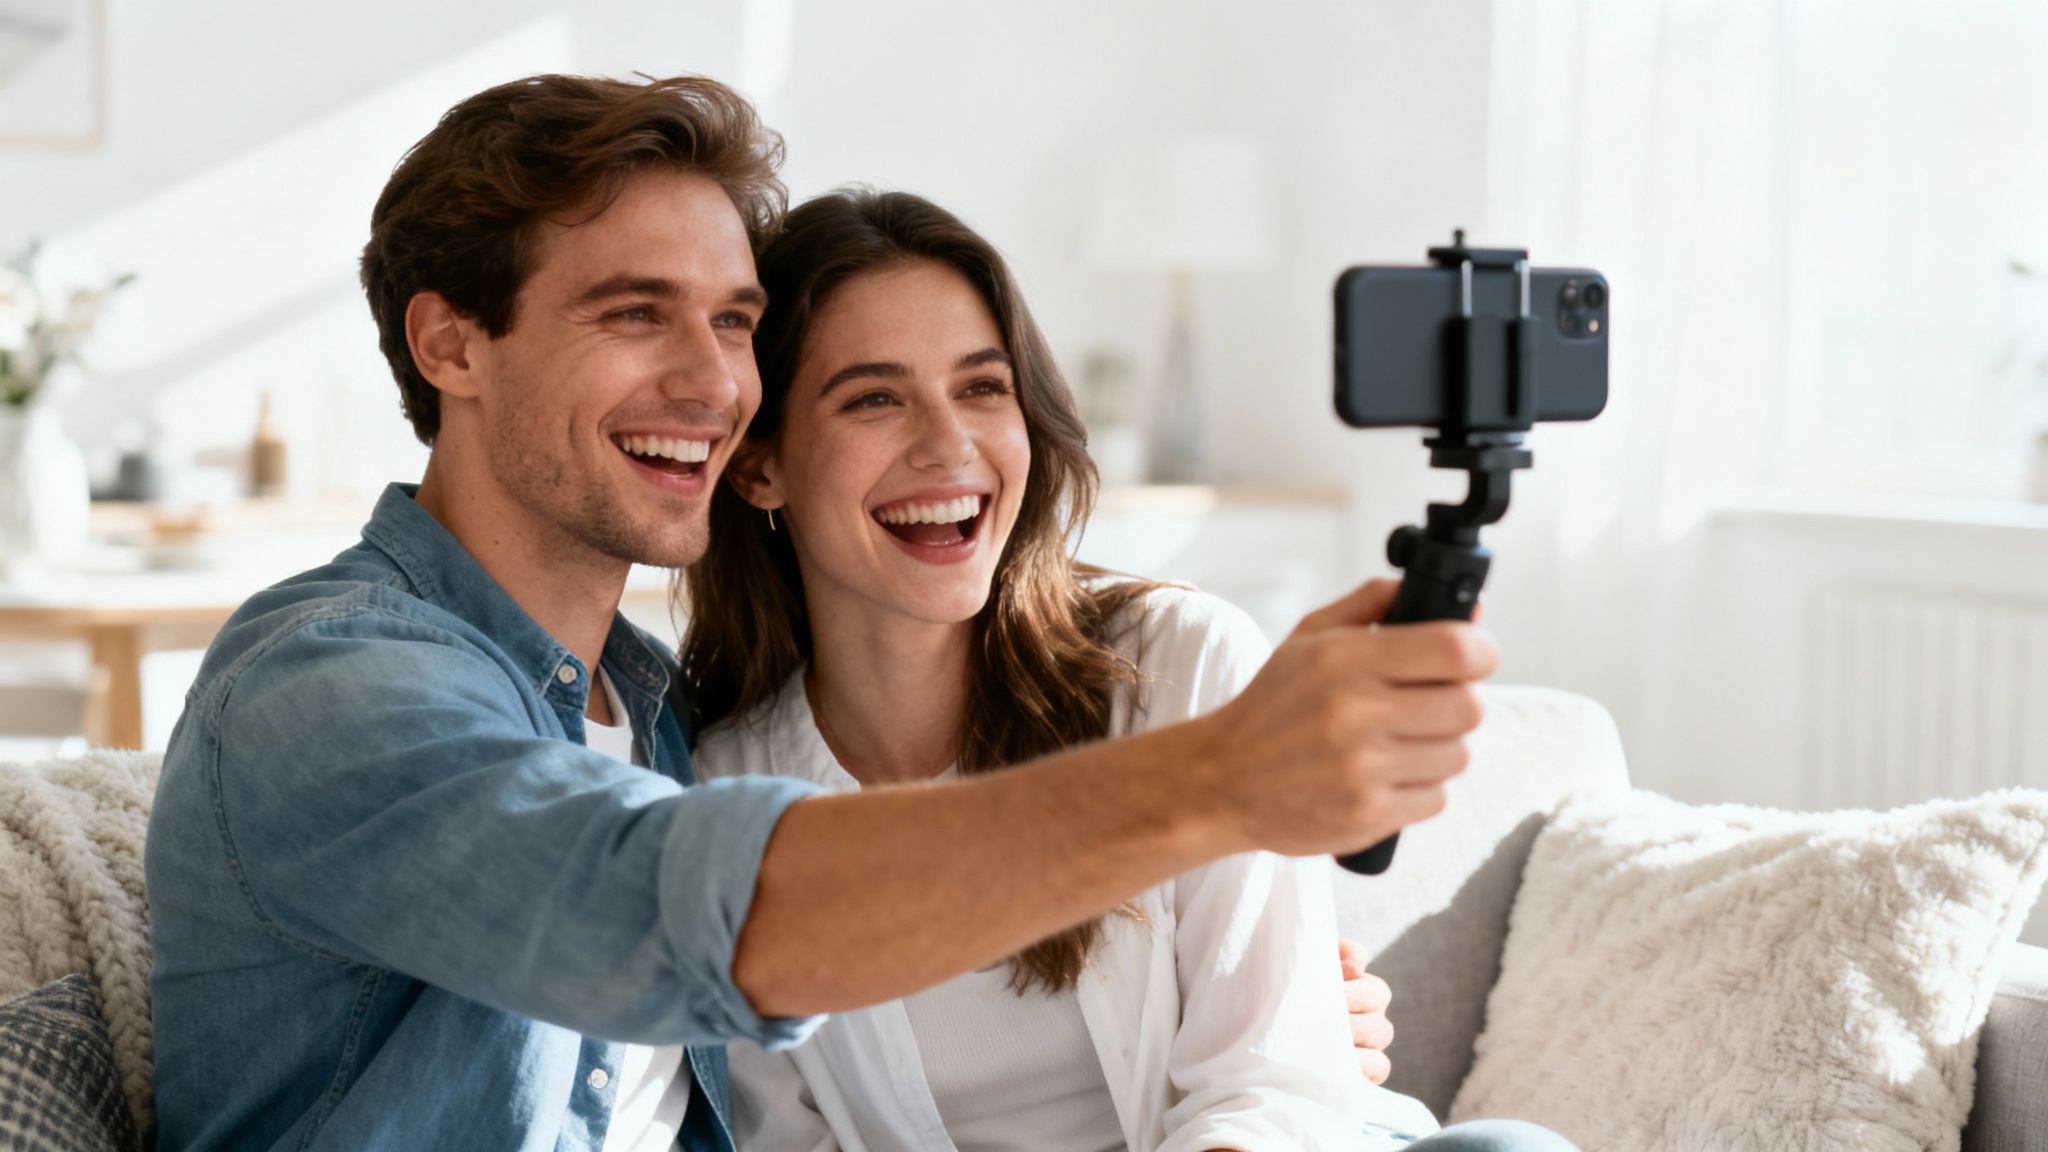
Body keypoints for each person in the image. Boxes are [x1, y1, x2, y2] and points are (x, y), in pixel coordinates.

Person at [145, 74, 1498, 1152]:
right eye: (635, 313)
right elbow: (685, 915)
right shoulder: (328, 684)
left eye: (734, 322)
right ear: (451, 343)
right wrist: (1217, 778)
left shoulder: (656, 711)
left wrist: (1289, 1029)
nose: (710, 384)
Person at [685, 190, 1576, 1152]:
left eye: (983, 388)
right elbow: (780, 1139)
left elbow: (1271, 1089)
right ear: (759, 465)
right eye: (874, 398)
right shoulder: (718, 792)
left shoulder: (1180, 662)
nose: (949, 447)